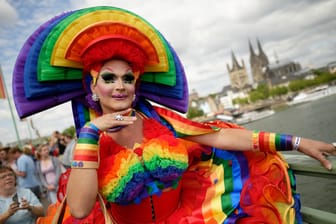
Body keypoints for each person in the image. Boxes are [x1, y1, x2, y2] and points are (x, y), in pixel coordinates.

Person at [13, 6, 336, 224]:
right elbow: (81, 209)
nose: (121, 85)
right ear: (92, 86)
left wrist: (296, 141)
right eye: (109, 78)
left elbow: (221, 135)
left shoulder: (160, 122)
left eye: (128, 77)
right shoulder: (87, 142)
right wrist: (90, 132)